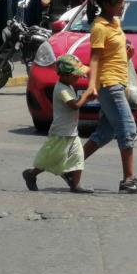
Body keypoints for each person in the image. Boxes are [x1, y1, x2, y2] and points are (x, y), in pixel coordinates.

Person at [83, 0, 137, 194]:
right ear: (106, 3)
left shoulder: (114, 22)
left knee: (105, 133)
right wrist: (91, 86)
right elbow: (94, 58)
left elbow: (113, 54)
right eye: (120, 2)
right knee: (128, 130)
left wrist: (128, 54)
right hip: (109, 84)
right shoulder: (99, 27)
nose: (123, 6)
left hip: (118, 82)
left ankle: (70, 167)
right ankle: (128, 180)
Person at [23, 55, 96, 193]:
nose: (79, 78)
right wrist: (86, 95)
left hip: (71, 132)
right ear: (65, 75)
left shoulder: (67, 86)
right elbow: (74, 105)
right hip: (61, 132)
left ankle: (75, 184)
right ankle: (31, 174)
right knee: (52, 158)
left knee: (78, 156)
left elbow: (77, 103)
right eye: (76, 75)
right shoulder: (62, 89)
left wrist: (87, 97)